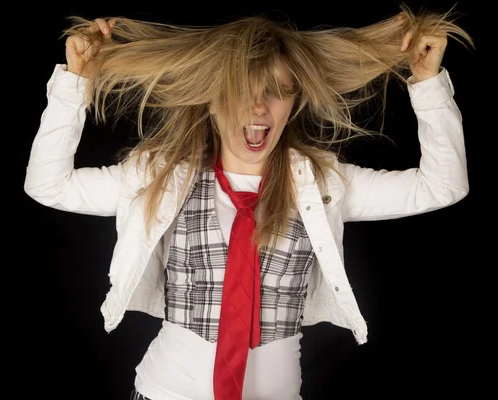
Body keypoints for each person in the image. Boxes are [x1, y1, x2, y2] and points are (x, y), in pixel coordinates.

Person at [24, 5, 473, 400]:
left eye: (277, 90)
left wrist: (428, 82)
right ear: (214, 101)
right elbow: (48, 185)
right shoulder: (157, 176)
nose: (259, 108)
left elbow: (441, 186)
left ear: (293, 103)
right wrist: (75, 81)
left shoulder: (324, 183)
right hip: (166, 393)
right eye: (244, 90)